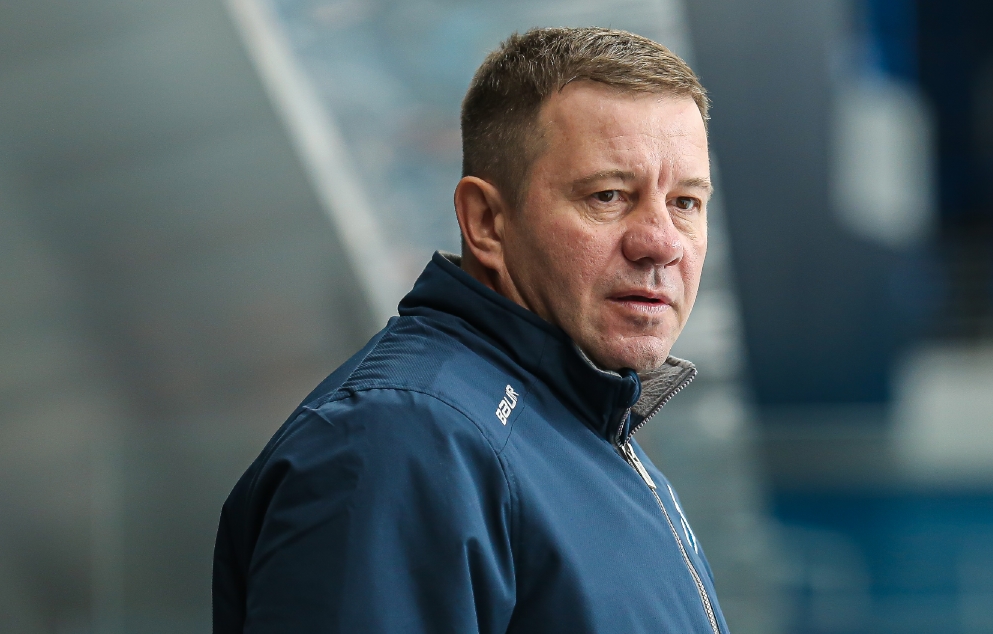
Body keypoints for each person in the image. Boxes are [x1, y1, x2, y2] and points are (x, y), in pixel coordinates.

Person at [212, 27, 726, 633]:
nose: (661, 243)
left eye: (686, 203)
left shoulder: (586, 431)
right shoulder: (402, 439)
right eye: (608, 195)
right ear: (485, 222)